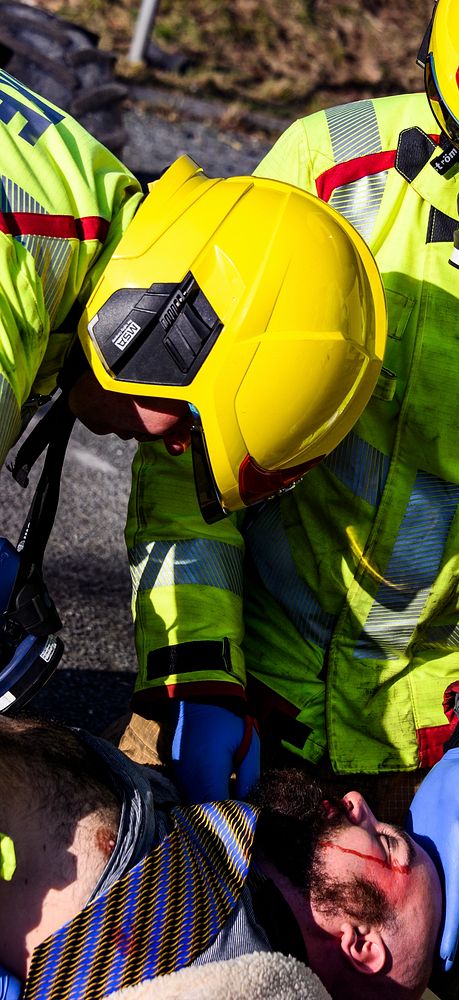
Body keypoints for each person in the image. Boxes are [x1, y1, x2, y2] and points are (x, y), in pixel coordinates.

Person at [117, 0, 459, 997]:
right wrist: (195, 666)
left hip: (453, 727)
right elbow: (191, 451)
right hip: (242, 670)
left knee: (451, 972)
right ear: (437, 96)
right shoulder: (328, 175)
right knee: (135, 941)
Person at [0, 67, 386, 720]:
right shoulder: (24, 262)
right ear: (166, 331)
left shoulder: (78, 194)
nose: (173, 446)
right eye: (191, 428)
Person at [0, 715, 441, 1000]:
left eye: (386, 842)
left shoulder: (169, 925)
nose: (357, 801)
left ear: (360, 944)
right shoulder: (220, 854)